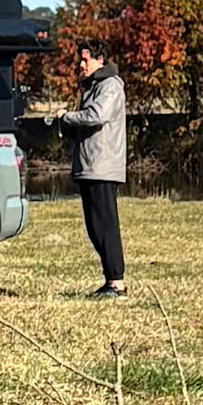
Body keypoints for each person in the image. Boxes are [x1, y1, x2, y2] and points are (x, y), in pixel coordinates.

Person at [73, 42, 129, 296]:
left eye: (85, 59)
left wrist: (66, 117)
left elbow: (96, 115)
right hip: (90, 166)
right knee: (95, 227)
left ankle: (117, 282)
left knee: (105, 226)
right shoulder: (93, 86)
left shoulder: (110, 86)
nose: (81, 64)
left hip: (102, 166)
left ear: (100, 60)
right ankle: (110, 280)